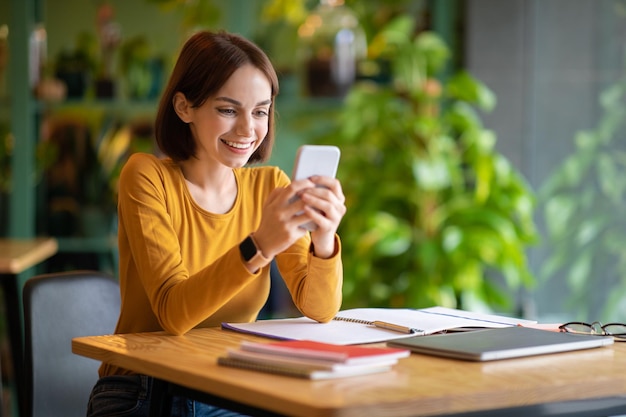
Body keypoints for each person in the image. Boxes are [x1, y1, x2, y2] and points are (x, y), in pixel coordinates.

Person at [86, 30, 346, 417]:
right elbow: (174, 313)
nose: (247, 130)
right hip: (144, 390)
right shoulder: (145, 176)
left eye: (260, 111)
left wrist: (324, 238)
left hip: (231, 384)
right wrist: (257, 248)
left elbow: (320, 308)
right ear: (184, 106)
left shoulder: (269, 186)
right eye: (228, 110)